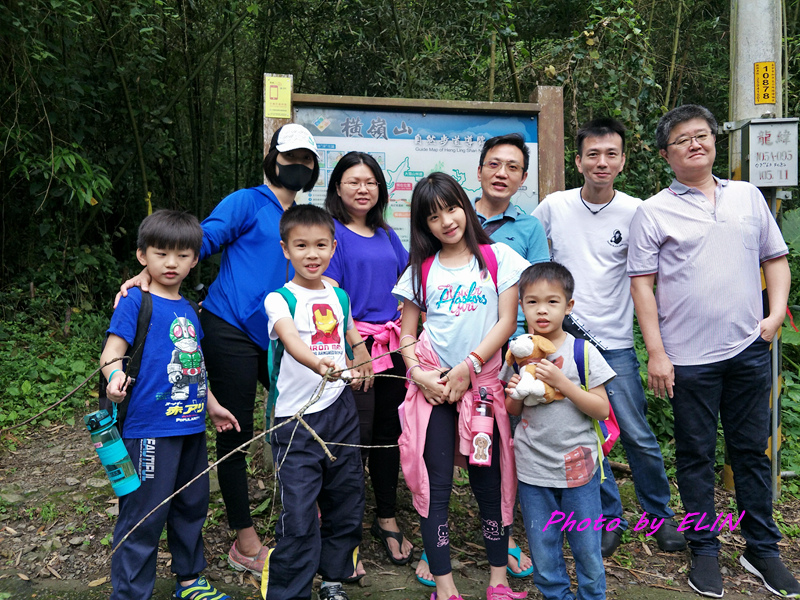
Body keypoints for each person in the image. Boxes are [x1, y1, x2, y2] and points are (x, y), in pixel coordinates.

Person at [116, 124, 325, 578]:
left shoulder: (307, 215)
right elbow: (196, 244)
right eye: (290, 157)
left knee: (303, 416)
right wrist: (146, 279)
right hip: (229, 327)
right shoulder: (246, 201)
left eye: (307, 160)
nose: (298, 166)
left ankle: (306, 517)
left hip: (281, 333)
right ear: (271, 156)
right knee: (236, 430)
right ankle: (244, 539)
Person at [628, 104, 798, 598]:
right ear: (666, 154)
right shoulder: (653, 210)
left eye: (701, 135)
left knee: (751, 452)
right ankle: (704, 549)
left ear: (714, 142)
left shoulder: (747, 197)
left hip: (749, 348)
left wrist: (774, 316)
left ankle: (761, 548)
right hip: (687, 359)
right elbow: (642, 287)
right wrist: (656, 353)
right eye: (682, 139)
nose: (694, 144)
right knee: (696, 456)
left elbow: (777, 259)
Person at [532, 118, 685, 558]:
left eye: (611, 154)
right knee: (585, 434)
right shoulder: (553, 207)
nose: (602, 162)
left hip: (615, 345)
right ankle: (608, 517)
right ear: (578, 160)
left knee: (636, 433)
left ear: (623, 160)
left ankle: (660, 516)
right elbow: (532, 260)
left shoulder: (638, 211)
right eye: (593, 154)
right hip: (566, 341)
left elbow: (648, 279)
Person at [392, 172, 529, 600]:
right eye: (433, 216)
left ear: (464, 208)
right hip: (434, 391)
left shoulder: (497, 257)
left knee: (491, 485)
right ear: (423, 225)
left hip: (483, 390)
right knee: (435, 490)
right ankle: (446, 589)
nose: (446, 221)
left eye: (451, 208)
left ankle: (498, 583)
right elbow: (407, 333)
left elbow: (507, 320)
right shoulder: (421, 269)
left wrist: (470, 366)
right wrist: (418, 374)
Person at [100, 210, 240, 600]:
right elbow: (112, 352)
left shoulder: (190, 309)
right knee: (143, 514)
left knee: (192, 505)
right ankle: (130, 593)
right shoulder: (135, 302)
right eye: (162, 254)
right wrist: (114, 378)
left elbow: (193, 365)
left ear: (195, 259)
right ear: (143, 255)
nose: (171, 263)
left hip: (190, 427)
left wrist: (211, 405)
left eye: (182, 255)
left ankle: (189, 579)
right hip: (149, 428)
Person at [262, 204, 369, 600]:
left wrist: (360, 358)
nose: (312, 254)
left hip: (340, 410)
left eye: (321, 245)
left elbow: (350, 333)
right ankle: (289, 591)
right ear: (286, 249)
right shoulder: (279, 298)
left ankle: (333, 579)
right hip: (296, 419)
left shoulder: (337, 294)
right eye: (301, 245)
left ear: (333, 247)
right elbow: (290, 340)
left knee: (346, 496)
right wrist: (318, 363)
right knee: (300, 508)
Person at [323, 152, 413, 566]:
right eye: (353, 181)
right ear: (337, 187)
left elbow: (408, 288)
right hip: (352, 348)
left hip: (393, 348)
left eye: (371, 182)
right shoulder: (331, 233)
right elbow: (331, 302)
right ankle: (345, 531)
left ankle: (388, 516)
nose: (363, 189)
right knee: (351, 442)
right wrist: (355, 350)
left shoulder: (387, 234)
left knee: (387, 436)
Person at [505, 262, 613, 600]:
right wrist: (514, 394)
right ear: (521, 305)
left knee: (587, 547)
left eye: (552, 302)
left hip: (578, 467)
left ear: (569, 307)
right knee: (543, 547)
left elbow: (602, 408)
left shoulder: (582, 352)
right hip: (533, 468)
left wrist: (563, 382)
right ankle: (556, 595)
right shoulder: (518, 354)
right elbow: (512, 411)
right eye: (532, 302)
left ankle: (592, 595)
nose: (541, 310)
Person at [474, 132, 549, 577]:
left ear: (522, 177)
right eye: (495, 164)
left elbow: (540, 289)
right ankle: (440, 533)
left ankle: (508, 530)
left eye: (513, 167)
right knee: (460, 444)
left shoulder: (530, 227)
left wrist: (531, 350)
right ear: (480, 169)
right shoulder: (456, 218)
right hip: (459, 348)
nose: (502, 173)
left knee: (510, 442)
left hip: (513, 351)